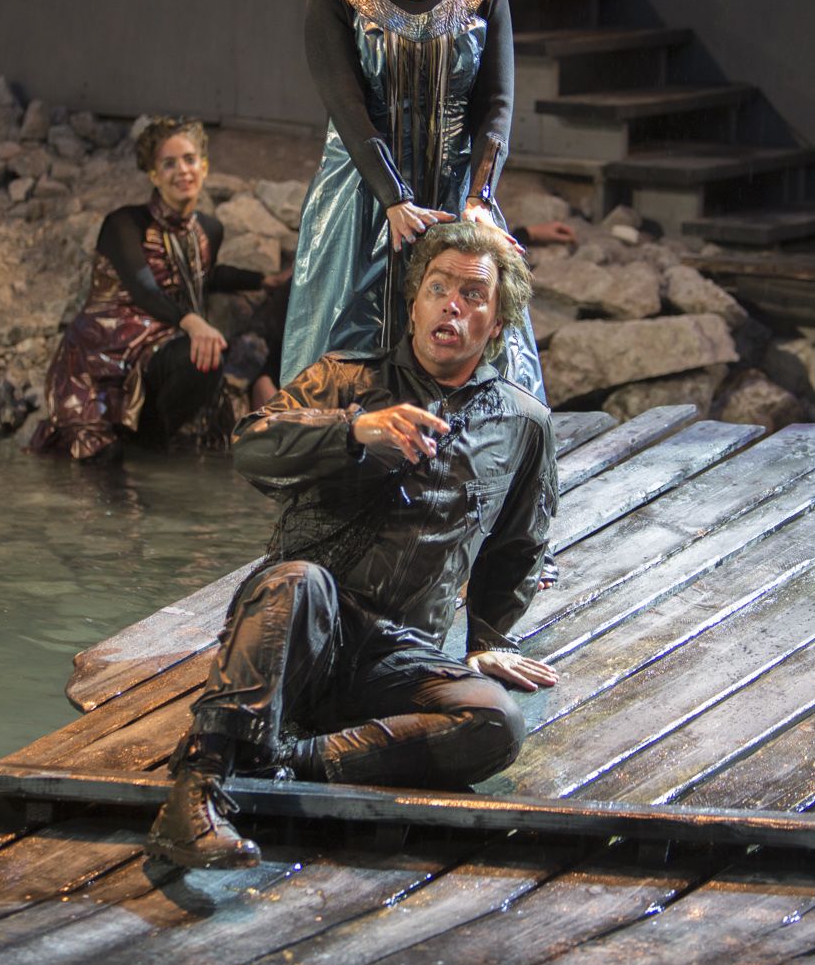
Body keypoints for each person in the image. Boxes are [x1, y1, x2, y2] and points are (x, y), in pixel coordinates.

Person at [146, 221, 559, 870]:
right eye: (437, 288)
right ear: (413, 304)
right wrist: (354, 430)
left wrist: (487, 639)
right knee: (296, 579)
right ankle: (194, 794)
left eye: (472, 295)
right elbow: (251, 448)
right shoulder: (343, 379)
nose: (451, 305)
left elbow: (518, 544)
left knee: (495, 724)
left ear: (498, 321)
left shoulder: (522, 422)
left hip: (398, 657)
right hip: (300, 634)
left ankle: (283, 762)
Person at [280, 0, 544, 402]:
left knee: (471, 351)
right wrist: (393, 198)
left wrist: (479, 199)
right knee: (346, 361)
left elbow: (496, 109)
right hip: (361, 205)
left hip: (455, 200)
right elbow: (349, 112)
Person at [31, 117, 284, 462]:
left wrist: (263, 281)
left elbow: (202, 274)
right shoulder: (123, 224)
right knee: (98, 463)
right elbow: (144, 289)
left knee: (206, 358)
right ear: (153, 175)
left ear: (204, 166)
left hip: (156, 347)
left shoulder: (209, 229)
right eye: (169, 164)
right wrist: (194, 322)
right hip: (101, 357)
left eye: (189, 160)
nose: (182, 171)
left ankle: (149, 443)